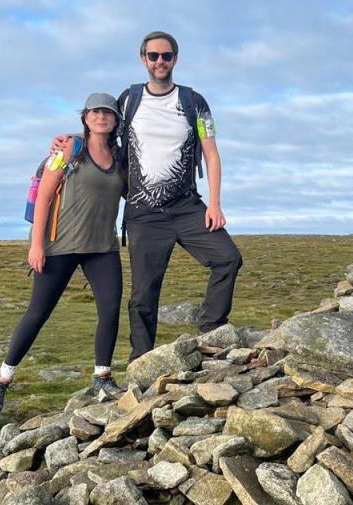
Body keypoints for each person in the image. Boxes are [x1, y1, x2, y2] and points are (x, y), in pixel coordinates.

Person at [53, 30, 242, 362]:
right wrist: (69, 141)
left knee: (228, 258)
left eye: (165, 56)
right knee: (144, 294)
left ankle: (212, 331)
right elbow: (102, 130)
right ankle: (141, 361)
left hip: (187, 206)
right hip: (143, 213)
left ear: (175, 60)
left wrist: (214, 204)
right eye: (153, 56)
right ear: (143, 59)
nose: (159, 62)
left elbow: (211, 153)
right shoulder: (129, 100)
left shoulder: (195, 103)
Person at [0, 92, 126, 413]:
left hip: (102, 247)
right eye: (95, 112)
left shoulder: (120, 158)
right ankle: (3, 379)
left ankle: (102, 378)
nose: (101, 117)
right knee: (38, 313)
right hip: (59, 245)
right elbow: (46, 196)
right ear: (85, 118)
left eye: (108, 113)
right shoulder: (69, 150)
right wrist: (36, 245)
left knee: (110, 308)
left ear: (116, 120)